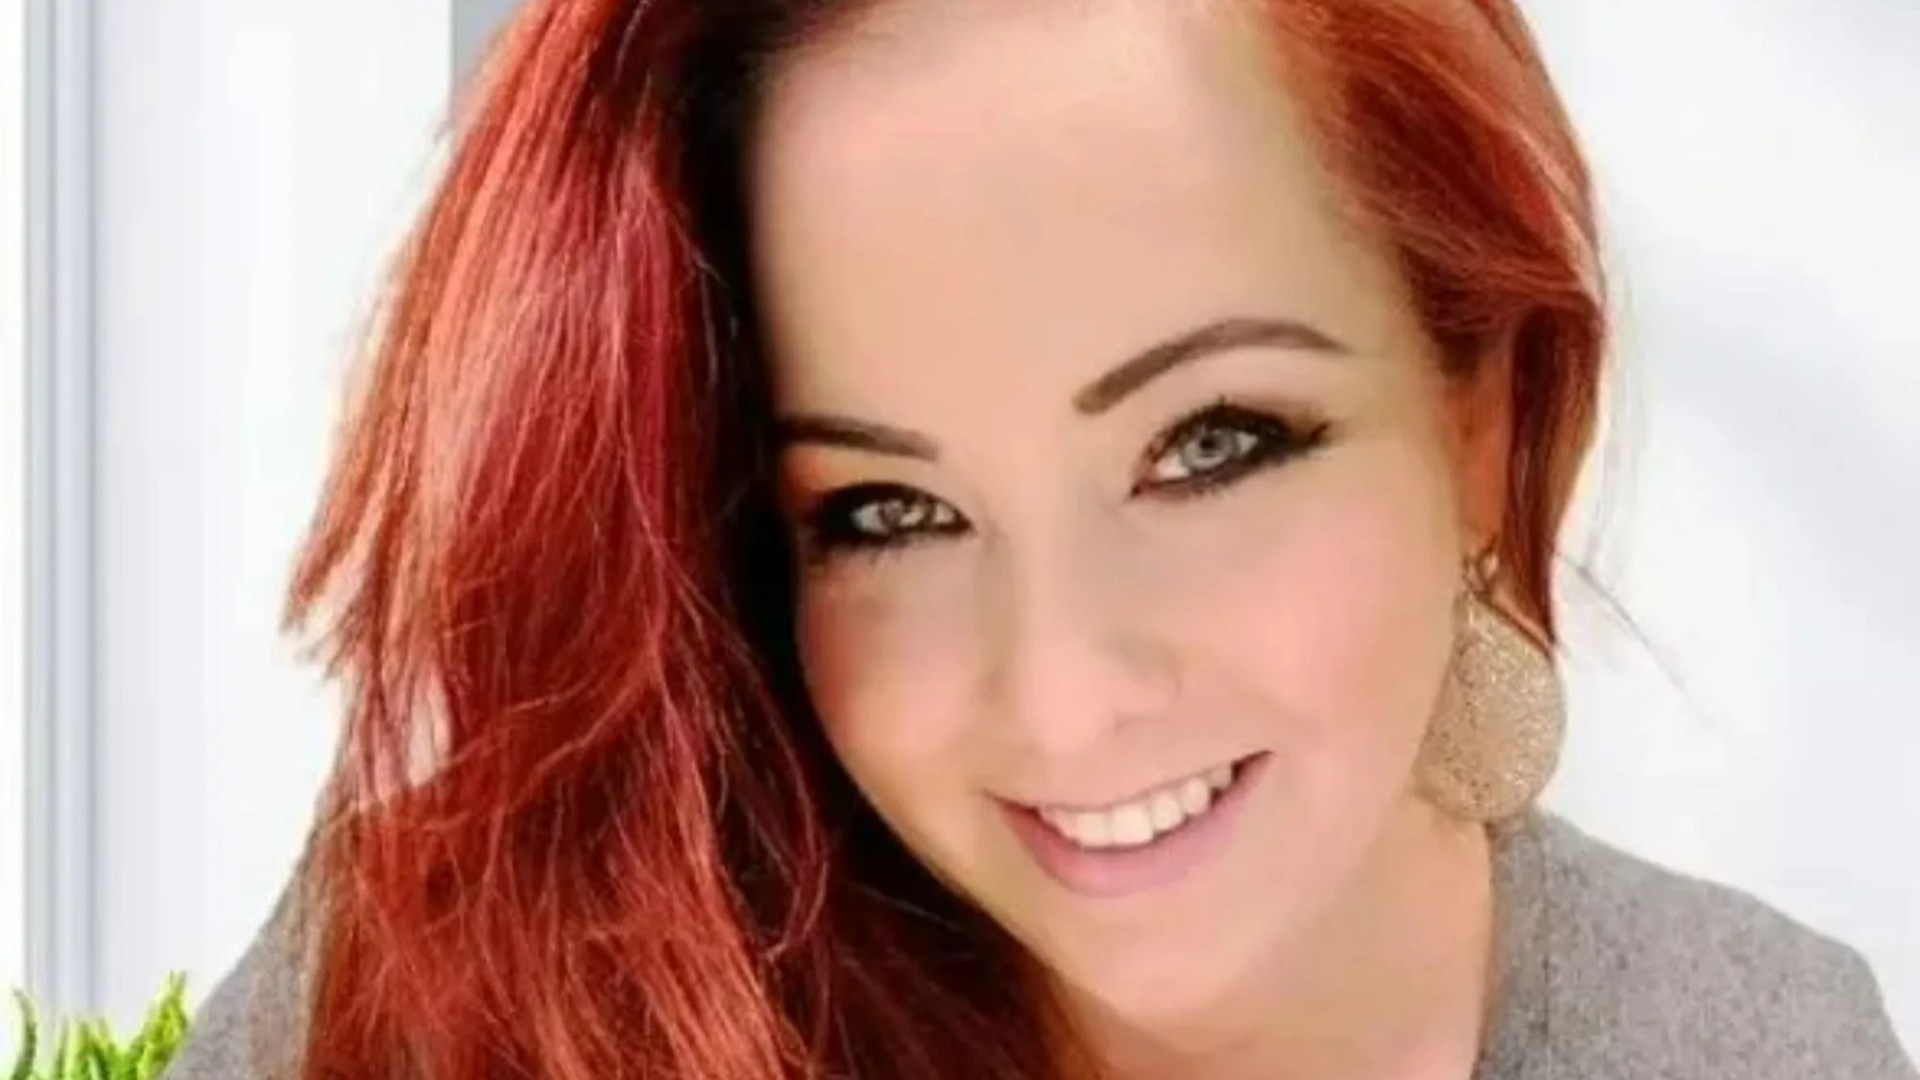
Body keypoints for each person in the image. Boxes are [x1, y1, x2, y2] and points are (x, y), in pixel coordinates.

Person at [160, 0, 1916, 1077]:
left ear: (1489, 417)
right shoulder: (465, 980)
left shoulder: (1745, 1041)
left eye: (1210, 447)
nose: (1063, 701)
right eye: (888, 511)